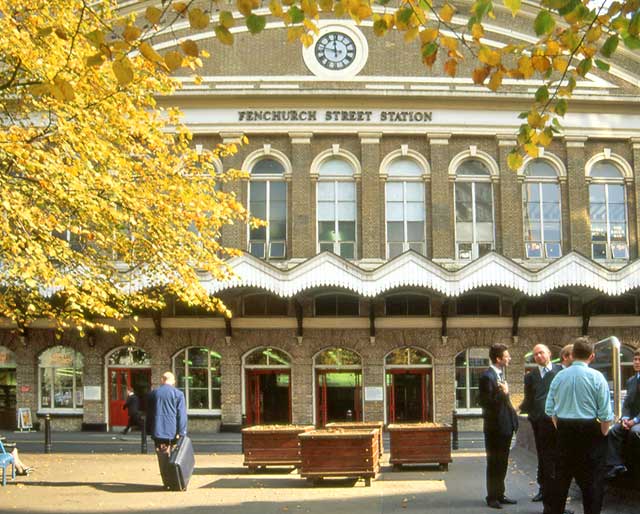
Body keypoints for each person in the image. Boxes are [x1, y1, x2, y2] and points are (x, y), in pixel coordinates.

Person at [545, 337, 613, 514]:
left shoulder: (559, 376)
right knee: (592, 486)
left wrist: (561, 426)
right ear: (592, 356)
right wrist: (603, 433)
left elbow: (549, 409)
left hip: (565, 431)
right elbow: (606, 414)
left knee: (560, 481)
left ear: (572, 354)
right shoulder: (597, 378)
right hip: (590, 433)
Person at [520, 344, 562, 510]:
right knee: (544, 458)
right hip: (539, 423)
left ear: (549, 354)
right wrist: (528, 414)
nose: (538, 356)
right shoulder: (531, 376)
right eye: (535, 354)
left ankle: (556, 496)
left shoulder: (560, 371)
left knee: (557, 459)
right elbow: (529, 398)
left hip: (557, 422)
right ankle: (544, 491)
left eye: (541, 353)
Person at [478, 343, 519, 509]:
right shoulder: (487, 377)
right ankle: (492, 497)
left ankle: (500, 494)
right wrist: (504, 393)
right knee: (494, 462)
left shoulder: (500, 375)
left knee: (502, 462)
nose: (509, 358)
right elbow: (487, 403)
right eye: (506, 356)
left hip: (505, 427)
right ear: (498, 358)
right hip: (495, 428)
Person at [146, 371, 187, 488]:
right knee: (175, 457)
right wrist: (182, 431)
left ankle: (166, 482)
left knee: (162, 458)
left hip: (158, 431)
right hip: (173, 431)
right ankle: (176, 482)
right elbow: (181, 415)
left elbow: (149, 414)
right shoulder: (178, 394)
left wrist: (149, 430)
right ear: (173, 381)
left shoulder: (153, 394)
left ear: (162, 380)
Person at [605, 348, 640, 479]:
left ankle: (634, 468)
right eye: (635, 359)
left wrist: (634, 421)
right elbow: (627, 404)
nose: (636, 362)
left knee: (634, 432)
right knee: (614, 430)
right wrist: (624, 418)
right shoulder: (631, 381)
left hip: (637, 421)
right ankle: (616, 465)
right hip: (632, 419)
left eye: (639, 360)